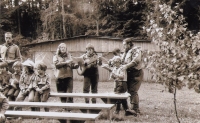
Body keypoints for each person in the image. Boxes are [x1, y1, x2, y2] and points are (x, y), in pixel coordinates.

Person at [121, 38, 144, 114]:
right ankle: (129, 109)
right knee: (128, 91)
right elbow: (122, 61)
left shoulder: (136, 50)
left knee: (133, 90)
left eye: (124, 44)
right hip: (128, 73)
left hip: (136, 72)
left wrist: (126, 66)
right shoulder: (126, 52)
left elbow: (136, 60)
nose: (123, 46)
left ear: (129, 44)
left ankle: (135, 109)